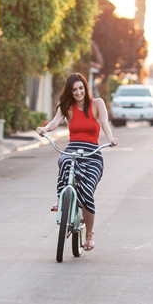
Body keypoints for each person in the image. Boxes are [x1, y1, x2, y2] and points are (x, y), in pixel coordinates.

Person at [36, 73, 118, 251]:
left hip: (93, 153)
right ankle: (61, 198)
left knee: (87, 191)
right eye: (74, 90)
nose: (78, 92)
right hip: (73, 148)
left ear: (85, 88)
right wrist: (45, 129)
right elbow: (55, 121)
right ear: (70, 91)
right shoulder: (67, 106)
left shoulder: (97, 104)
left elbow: (104, 123)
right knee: (64, 159)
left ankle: (89, 235)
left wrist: (111, 139)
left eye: (81, 88)